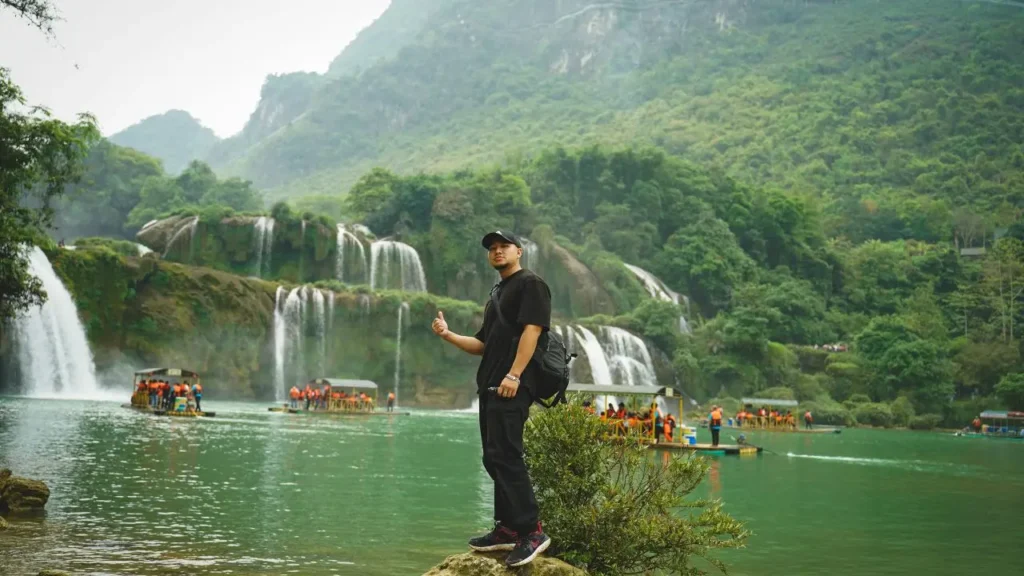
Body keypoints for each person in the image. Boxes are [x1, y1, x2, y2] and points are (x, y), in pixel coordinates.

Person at [431, 230, 551, 568]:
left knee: (508, 455)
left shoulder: (531, 284)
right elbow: (482, 345)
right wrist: (449, 335)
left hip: (513, 383)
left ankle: (532, 531)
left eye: (504, 247)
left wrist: (514, 375)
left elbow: (533, 330)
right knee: (494, 457)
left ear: (519, 251)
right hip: (491, 386)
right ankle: (508, 528)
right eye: (492, 248)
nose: (497, 252)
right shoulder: (498, 292)